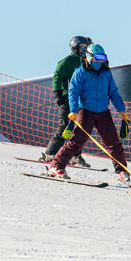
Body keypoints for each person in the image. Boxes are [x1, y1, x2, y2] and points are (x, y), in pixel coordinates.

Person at [46, 43, 131, 183]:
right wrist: (73, 111)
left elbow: (113, 93)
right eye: (97, 58)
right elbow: (73, 93)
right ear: (89, 57)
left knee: (113, 142)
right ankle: (56, 166)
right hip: (86, 111)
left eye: (102, 58)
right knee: (77, 141)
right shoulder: (80, 73)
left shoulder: (106, 73)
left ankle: (122, 170)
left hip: (103, 111)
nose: (99, 62)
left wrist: (121, 110)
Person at [39, 35, 91, 167]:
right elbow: (57, 76)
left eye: (86, 47)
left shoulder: (86, 62)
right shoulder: (67, 61)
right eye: (82, 47)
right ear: (74, 48)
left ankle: (75, 155)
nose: (84, 50)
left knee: (80, 128)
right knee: (64, 125)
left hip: (81, 101)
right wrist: (58, 93)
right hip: (67, 98)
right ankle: (50, 153)